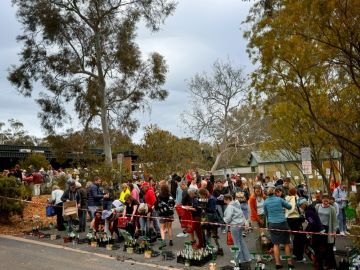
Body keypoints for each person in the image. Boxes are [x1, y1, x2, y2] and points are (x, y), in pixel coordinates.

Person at [264, 186, 293, 269]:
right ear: (274, 192)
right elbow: (290, 207)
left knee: (276, 244)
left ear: (267, 193)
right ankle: (289, 262)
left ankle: (278, 263)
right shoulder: (279, 199)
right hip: (282, 223)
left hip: (272, 224)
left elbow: (266, 213)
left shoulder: (265, 202)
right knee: (286, 243)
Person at [297, 197, 327, 270]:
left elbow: (312, 223)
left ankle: (319, 266)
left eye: (300, 206)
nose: (300, 207)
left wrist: (308, 232)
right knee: (319, 250)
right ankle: (320, 264)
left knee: (316, 250)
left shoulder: (308, 212)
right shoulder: (311, 208)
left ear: (304, 204)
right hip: (320, 230)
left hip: (316, 233)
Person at [223, 194, 251, 267]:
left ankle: (239, 259)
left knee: (236, 243)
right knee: (241, 241)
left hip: (234, 226)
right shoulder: (237, 204)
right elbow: (241, 214)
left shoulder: (230, 206)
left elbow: (228, 218)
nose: (224, 201)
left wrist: (224, 220)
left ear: (227, 199)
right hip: (240, 224)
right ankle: (247, 257)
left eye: (225, 200)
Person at [198, 188, 223, 255]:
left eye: (201, 195)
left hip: (212, 219)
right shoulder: (208, 198)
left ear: (204, 194)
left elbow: (212, 210)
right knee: (208, 233)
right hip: (208, 218)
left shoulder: (211, 199)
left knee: (214, 235)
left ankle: (219, 248)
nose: (200, 197)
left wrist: (204, 208)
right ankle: (208, 248)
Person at [315, 194, 337, 269]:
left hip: (328, 229)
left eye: (327, 201)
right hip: (319, 229)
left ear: (329, 201)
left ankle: (330, 264)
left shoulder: (332, 208)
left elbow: (334, 221)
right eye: (324, 201)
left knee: (328, 247)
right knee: (320, 247)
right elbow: (315, 217)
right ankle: (320, 263)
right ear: (322, 200)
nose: (325, 202)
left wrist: (334, 231)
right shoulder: (317, 206)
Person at [285, 187, 306, 262]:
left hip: (289, 219)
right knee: (301, 238)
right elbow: (300, 208)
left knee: (296, 237)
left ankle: (295, 253)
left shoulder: (286, 199)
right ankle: (299, 257)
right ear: (296, 192)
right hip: (296, 219)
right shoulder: (296, 198)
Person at [249, 184, 266, 251]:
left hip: (263, 216)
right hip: (255, 218)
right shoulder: (252, 198)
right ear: (254, 191)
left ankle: (265, 249)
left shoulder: (264, 197)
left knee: (265, 233)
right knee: (257, 236)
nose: (258, 191)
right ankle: (259, 254)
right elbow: (252, 210)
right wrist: (259, 220)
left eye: (259, 190)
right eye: (257, 190)